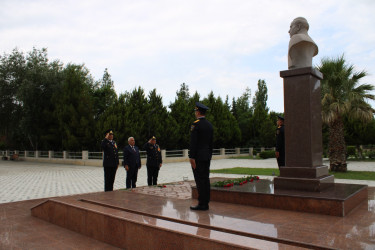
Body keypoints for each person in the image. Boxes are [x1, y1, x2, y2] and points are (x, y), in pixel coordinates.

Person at [189, 102, 213, 211]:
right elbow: (211, 143)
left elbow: (193, 143)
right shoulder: (209, 125)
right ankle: (205, 202)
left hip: (198, 157)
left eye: (195, 111)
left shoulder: (196, 125)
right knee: (205, 180)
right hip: (206, 156)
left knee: (199, 181)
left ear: (198, 112)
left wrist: (191, 157)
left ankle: (202, 204)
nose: (195, 113)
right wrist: (209, 155)